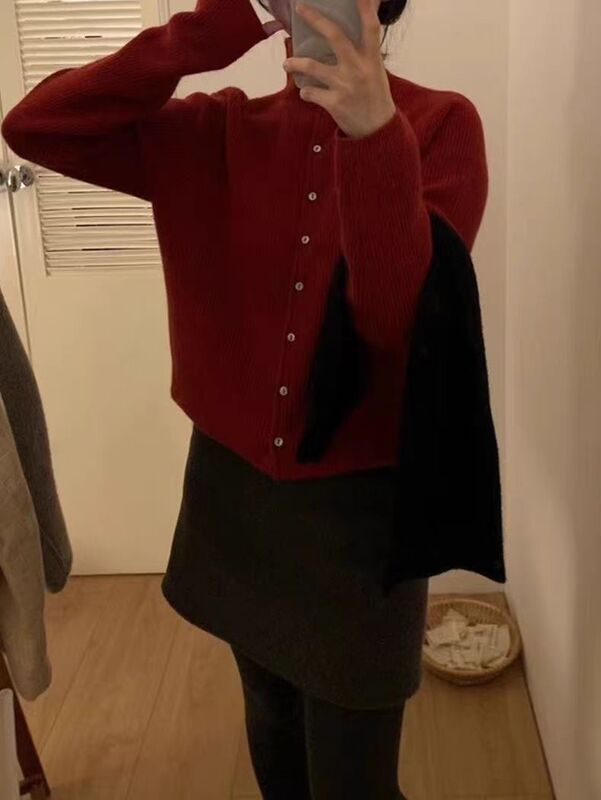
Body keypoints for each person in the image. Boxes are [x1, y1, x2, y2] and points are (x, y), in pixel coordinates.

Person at [1, 0, 489, 796]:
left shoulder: (439, 128)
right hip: (233, 499)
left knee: (356, 779)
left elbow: (394, 322)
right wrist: (209, 29)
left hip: (362, 518)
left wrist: (373, 136)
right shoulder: (216, 130)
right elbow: (36, 126)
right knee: (270, 721)